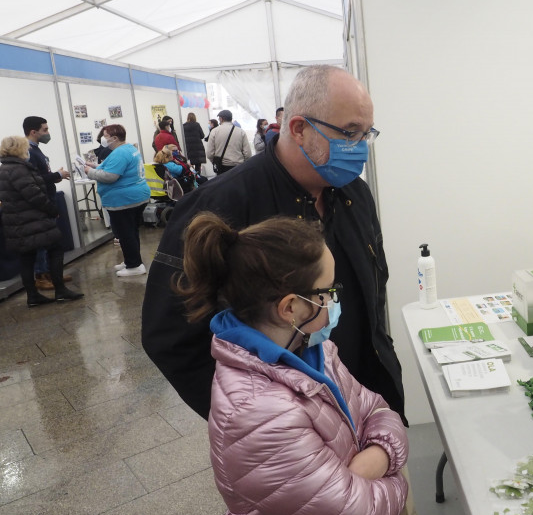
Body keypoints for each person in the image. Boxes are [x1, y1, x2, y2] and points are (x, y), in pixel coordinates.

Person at [141, 65, 401, 423]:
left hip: (368, 400)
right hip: (292, 428)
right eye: (349, 133)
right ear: (298, 128)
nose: (359, 149)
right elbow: (171, 336)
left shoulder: (354, 194)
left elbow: (375, 288)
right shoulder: (220, 206)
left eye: (366, 134)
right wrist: (257, 423)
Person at [178, 211, 408, 515]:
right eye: (328, 291)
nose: (333, 302)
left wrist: (371, 463)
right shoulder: (257, 413)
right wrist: (399, 475)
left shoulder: (314, 349)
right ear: (290, 307)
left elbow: (377, 409)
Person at [0, 136, 83, 306]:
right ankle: (60, 290)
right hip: (33, 219)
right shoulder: (19, 169)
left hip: (16, 222)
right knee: (56, 249)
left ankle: (32, 296)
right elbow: (34, 195)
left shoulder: (4, 169)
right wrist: (52, 210)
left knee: (26, 257)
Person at [85, 124, 151, 277]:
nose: (103, 139)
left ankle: (134, 265)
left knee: (125, 233)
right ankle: (131, 260)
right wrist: (95, 166)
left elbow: (110, 176)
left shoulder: (120, 153)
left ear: (114, 138)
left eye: (105, 136)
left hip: (124, 201)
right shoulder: (128, 149)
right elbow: (113, 168)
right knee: (131, 231)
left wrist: (90, 172)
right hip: (135, 197)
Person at [24, 116, 72, 291]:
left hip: (48, 199)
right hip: (40, 204)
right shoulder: (29, 152)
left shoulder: (37, 150)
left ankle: (50, 272)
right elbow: (32, 181)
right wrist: (57, 175)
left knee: (50, 241)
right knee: (42, 242)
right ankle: (41, 276)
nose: (48, 133)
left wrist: (55, 176)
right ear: (33, 132)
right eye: (45, 130)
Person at [206, 109, 251, 173]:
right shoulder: (241, 131)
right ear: (231, 119)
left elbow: (209, 153)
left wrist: (215, 162)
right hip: (238, 167)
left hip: (222, 167)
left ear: (221, 119)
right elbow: (247, 153)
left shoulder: (214, 131)